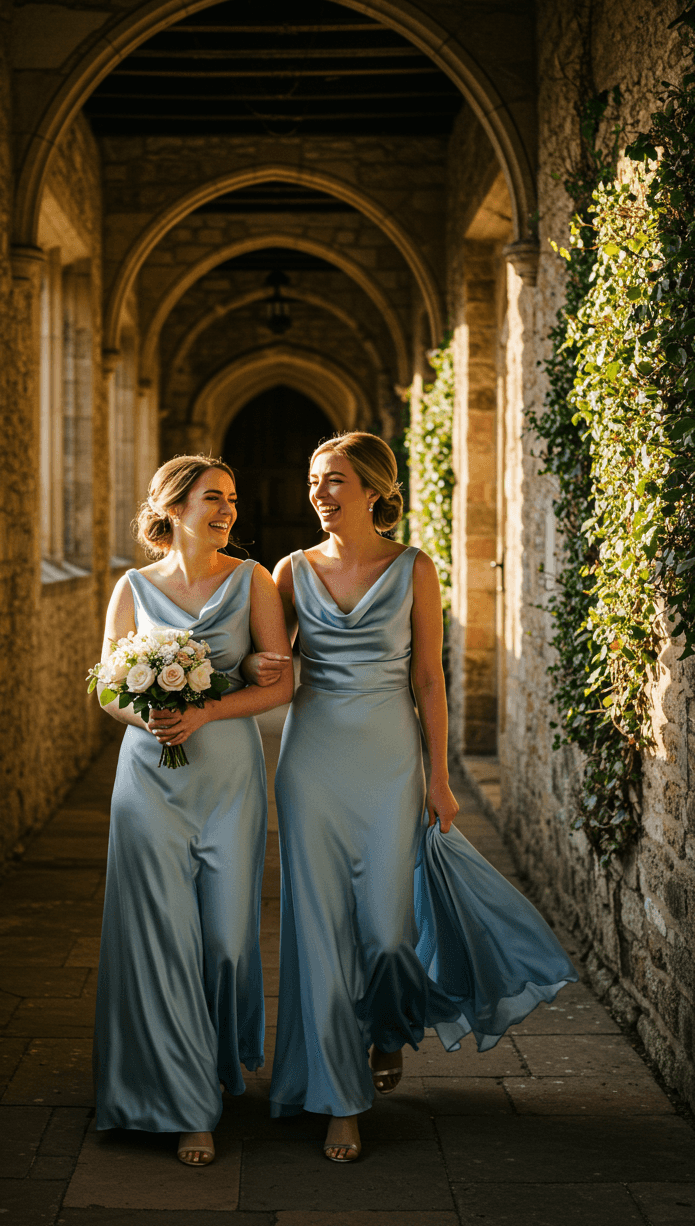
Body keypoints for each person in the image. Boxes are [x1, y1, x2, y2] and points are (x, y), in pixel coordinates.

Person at [245, 432, 577, 1162]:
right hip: (311, 766)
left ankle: (389, 1028)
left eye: (332, 480)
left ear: (372, 488)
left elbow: (428, 678)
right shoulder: (290, 573)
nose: (319, 494)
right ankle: (338, 1099)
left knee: (390, 934)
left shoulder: (415, 569)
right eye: (311, 480)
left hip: (391, 763)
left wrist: (440, 777)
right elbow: (273, 669)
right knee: (321, 934)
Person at [93, 455, 293, 1167]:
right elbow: (107, 689)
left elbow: (278, 683)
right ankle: (182, 1104)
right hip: (149, 781)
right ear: (174, 507)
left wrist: (206, 707)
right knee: (160, 940)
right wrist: (146, 715)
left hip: (229, 779)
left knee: (226, 941)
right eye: (214, 498)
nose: (228, 511)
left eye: (233, 500)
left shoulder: (253, 580)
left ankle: (212, 1057)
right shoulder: (132, 588)